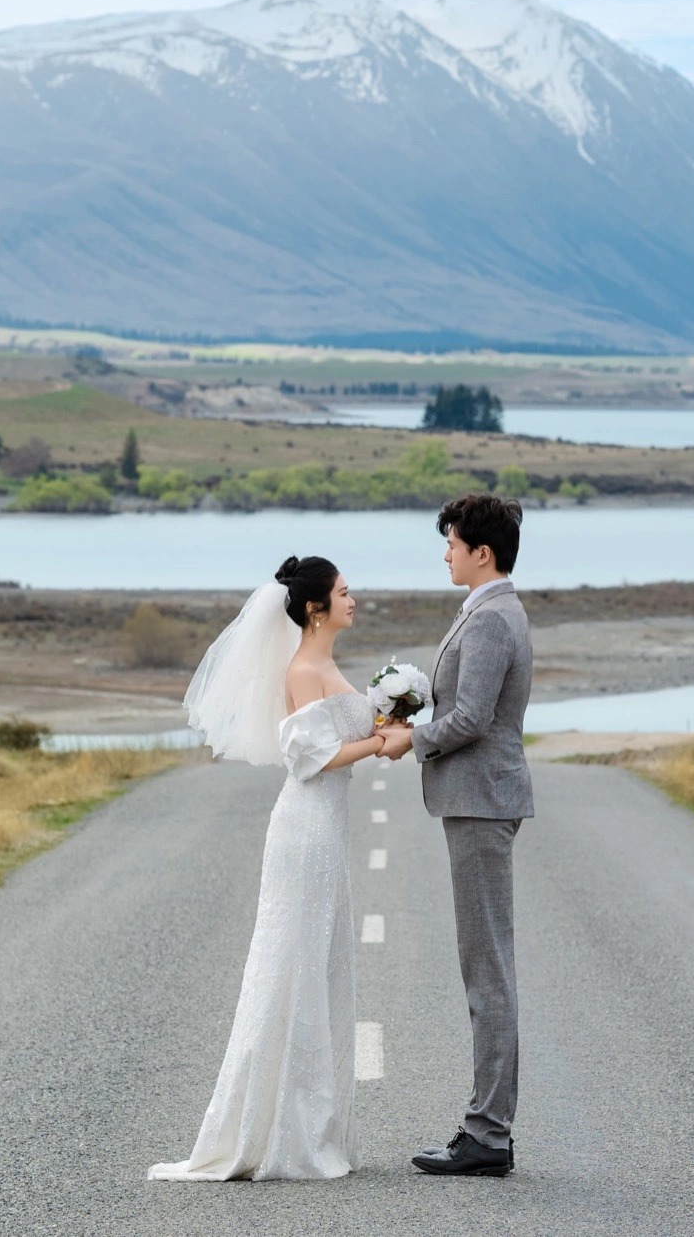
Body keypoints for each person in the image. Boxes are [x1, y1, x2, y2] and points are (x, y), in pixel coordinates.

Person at [149, 555, 393, 1182]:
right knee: (293, 966)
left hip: (326, 830)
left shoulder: (324, 663)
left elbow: (339, 738)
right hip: (306, 829)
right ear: (315, 608)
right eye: (343, 591)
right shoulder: (306, 668)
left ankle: (308, 1124)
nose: (353, 598)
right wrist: (387, 741)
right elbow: (312, 758)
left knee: (314, 966)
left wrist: (387, 720)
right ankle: (278, 1132)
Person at [377, 492, 532, 1178]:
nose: (445, 552)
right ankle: (487, 1128)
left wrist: (410, 740)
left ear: (482, 552)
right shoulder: (485, 610)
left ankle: (488, 1135)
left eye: (451, 542)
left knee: (487, 967)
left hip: (480, 801)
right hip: (474, 801)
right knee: (484, 962)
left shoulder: (495, 618)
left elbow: (470, 719)